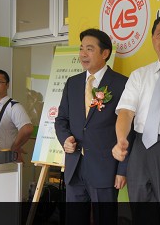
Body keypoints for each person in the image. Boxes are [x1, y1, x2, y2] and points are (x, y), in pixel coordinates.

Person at [112, 15, 160, 223]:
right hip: (140, 150)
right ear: (153, 39)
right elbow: (126, 112)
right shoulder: (139, 75)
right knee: (141, 213)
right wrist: (121, 139)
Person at [55, 29, 129, 224]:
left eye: (89, 49)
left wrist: (122, 170)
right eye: (81, 49)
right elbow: (61, 119)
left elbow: (130, 129)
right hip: (75, 167)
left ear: (105, 53)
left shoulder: (122, 84)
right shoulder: (72, 83)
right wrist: (65, 140)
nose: (83, 54)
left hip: (105, 169)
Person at [0, 69, 33, 161]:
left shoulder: (13, 106)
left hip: (3, 158)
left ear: (7, 85)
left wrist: (15, 147)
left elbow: (27, 129)